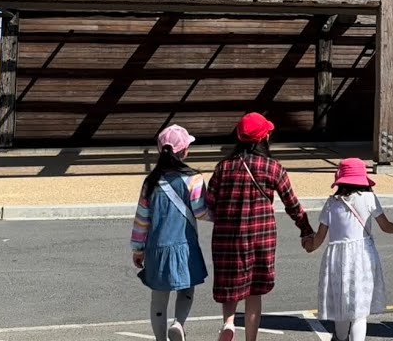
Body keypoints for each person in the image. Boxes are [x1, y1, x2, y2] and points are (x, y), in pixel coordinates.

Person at [207, 113, 315, 341]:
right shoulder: (273, 168)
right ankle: (251, 338)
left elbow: (210, 203)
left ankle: (228, 323)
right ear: (264, 137)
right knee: (254, 293)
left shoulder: (223, 167)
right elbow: (292, 204)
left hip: (227, 238)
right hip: (261, 237)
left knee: (230, 286)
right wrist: (306, 230)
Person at [305, 157, 393, 341]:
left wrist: (309, 245)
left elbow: (319, 237)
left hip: (337, 259)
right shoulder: (368, 199)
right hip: (362, 257)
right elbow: (385, 226)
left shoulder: (332, 203)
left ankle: (340, 337)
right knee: (359, 311)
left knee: (342, 308)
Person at [131, 124, 210, 341]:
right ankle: (178, 323)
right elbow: (201, 212)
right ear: (184, 151)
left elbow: (142, 219)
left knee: (158, 298)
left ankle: (160, 338)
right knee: (186, 288)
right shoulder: (193, 178)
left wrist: (138, 249)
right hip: (185, 245)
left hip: (156, 248)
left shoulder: (151, 181)